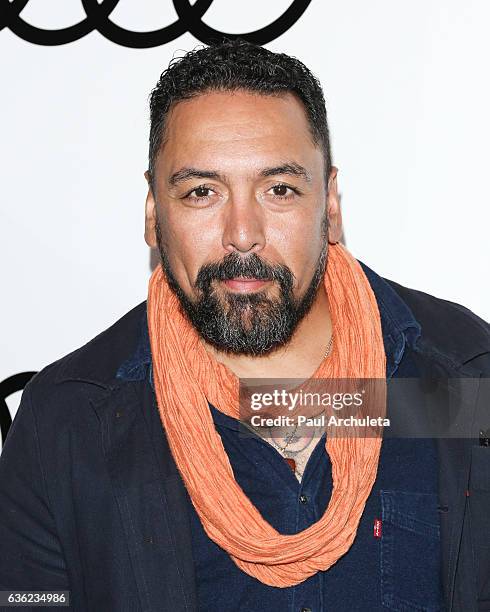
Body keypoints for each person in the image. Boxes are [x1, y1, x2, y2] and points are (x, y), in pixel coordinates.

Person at [0, 39, 489, 612]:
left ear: (330, 202)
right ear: (154, 213)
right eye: (202, 192)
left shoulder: (465, 379)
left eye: (278, 189)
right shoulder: (66, 420)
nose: (241, 233)